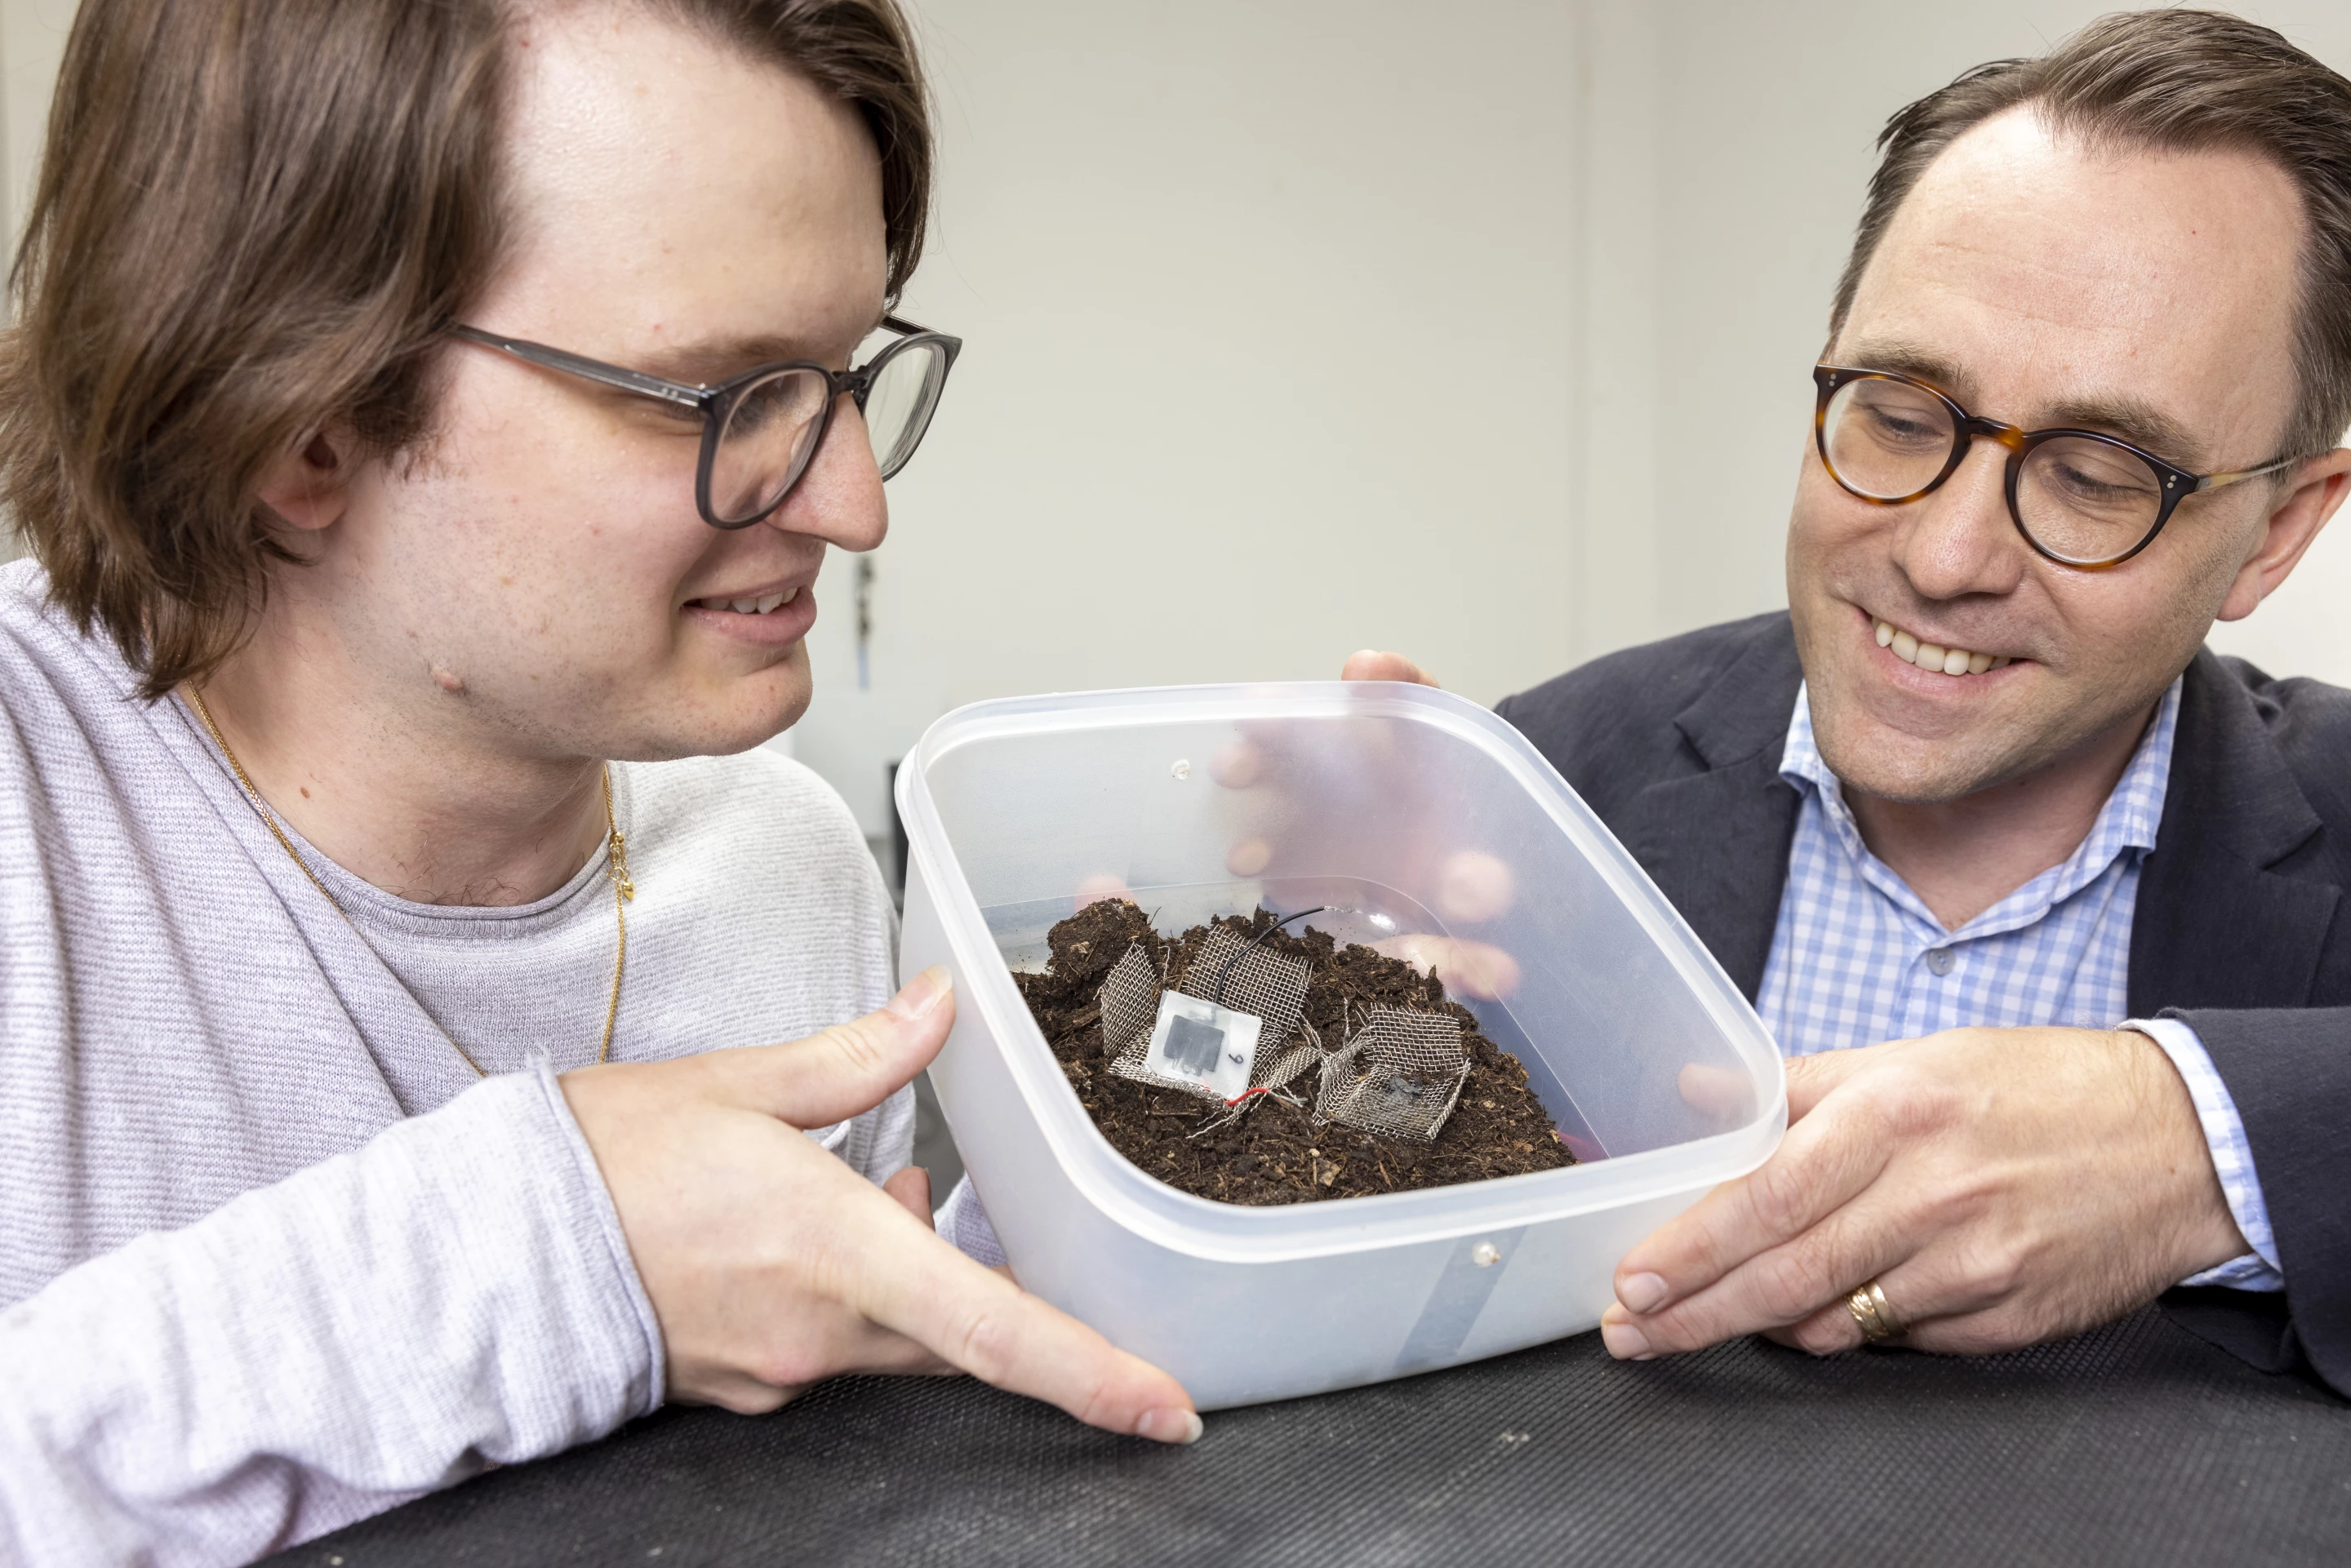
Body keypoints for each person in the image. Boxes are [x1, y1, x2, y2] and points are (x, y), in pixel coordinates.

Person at [0, 1, 1197, 1561]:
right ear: (297, 425)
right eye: (715, 398)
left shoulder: (782, 860)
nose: (850, 505)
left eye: (845, 370)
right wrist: (554, 1256)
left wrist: (1160, 1163)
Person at [1349, 8, 2351, 1395]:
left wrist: (2205, 1142)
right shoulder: (1547, 778)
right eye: (1899, 411)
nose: (1943, 558)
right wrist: (1315, 982)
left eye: (2103, 474)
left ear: (2283, 531)